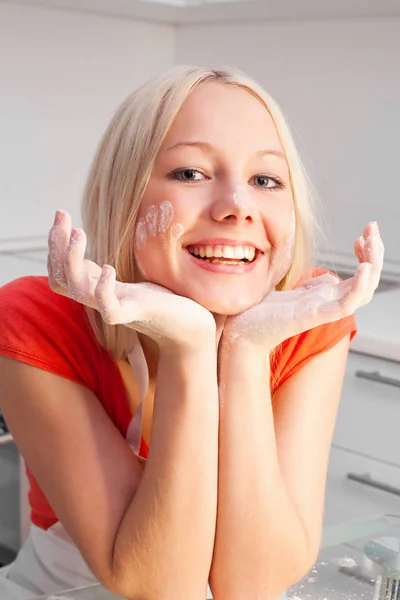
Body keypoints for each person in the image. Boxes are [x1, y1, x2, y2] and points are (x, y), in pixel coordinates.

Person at [0, 65, 383, 600]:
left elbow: (254, 584)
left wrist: (247, 349)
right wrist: (189, 347)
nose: (237, 207)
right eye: (190, 174)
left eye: (265, 180)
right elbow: (156, 585)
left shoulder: (309, 311)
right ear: (123, 195)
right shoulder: (35, 317)